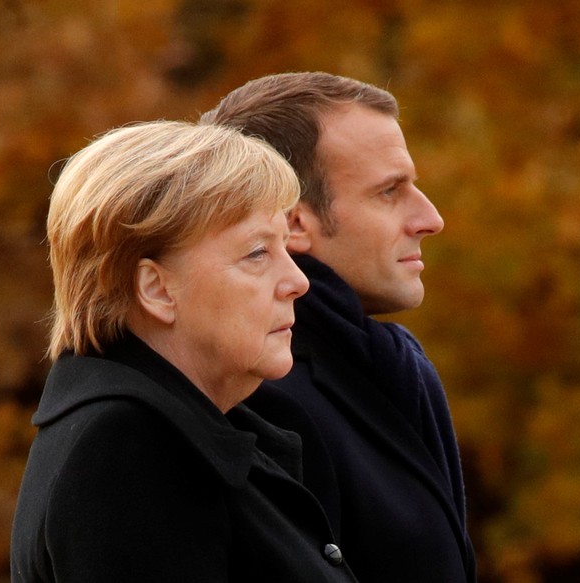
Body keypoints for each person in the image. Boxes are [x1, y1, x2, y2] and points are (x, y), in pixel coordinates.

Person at [10, 120, 359, 583]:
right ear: (156, 289)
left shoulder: (177, 429)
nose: (298, 281)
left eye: (285, 248)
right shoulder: (127, 450)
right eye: (257, 253)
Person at [201, 72, 477, 583]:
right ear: (295, 224)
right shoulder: (253, 389)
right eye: (389, 192)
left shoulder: (389, 365)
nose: (430, 218)